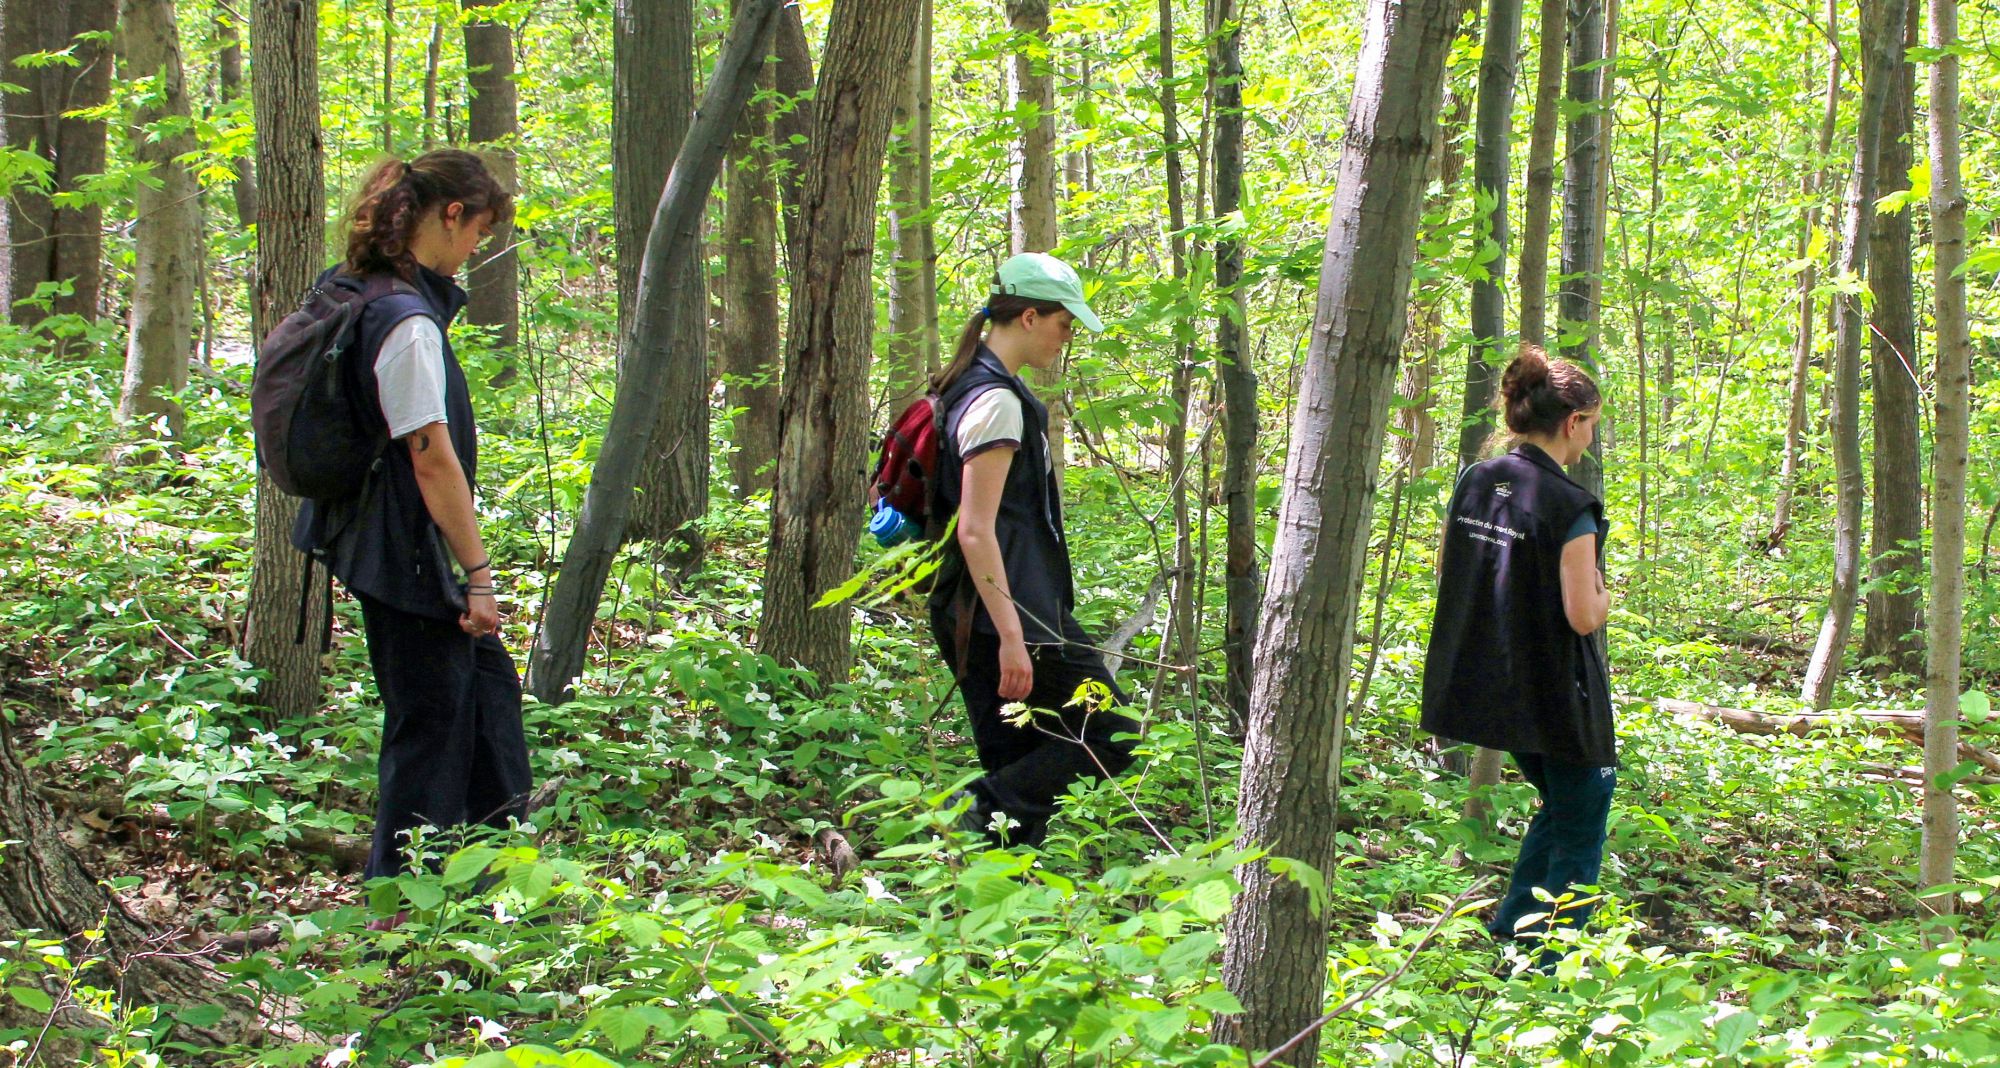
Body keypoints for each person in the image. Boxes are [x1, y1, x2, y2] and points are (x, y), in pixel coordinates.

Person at [292, 150, 532, 886]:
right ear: (450, 215)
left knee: (485, 696)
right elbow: (430, 455)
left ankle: (494, 872)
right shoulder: (405, 321)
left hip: (387, 538)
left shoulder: (364, 291)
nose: (474, 252)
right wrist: (478, 576)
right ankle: (400, 901)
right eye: (476, 233)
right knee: (428, 727)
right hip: (407, 549)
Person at [927, 252, 1141, 847]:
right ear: (1027, 317)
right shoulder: (995, 402)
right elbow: (976, 528)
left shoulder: (971, 385)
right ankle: (977, 804)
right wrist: (1017, 639)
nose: (1065, 338)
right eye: (1063, 324)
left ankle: (1008, 900)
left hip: (976, 608)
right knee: (1114, 733)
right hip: (1007, 612)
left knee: (1018, 751)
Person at [1421, 346, 1613, 947]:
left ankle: (1513, 935)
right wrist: (1608, 592)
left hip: (1484, 676)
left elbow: (1448, 570)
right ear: (1573, 421)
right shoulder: (1569, 504)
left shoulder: (1477, 480)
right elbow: (1584, 616)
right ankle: (1549, 961)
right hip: (1555, 689)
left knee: (1561, 804)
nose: (1588, 440)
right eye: (1592, 426)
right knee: (1584, 809)